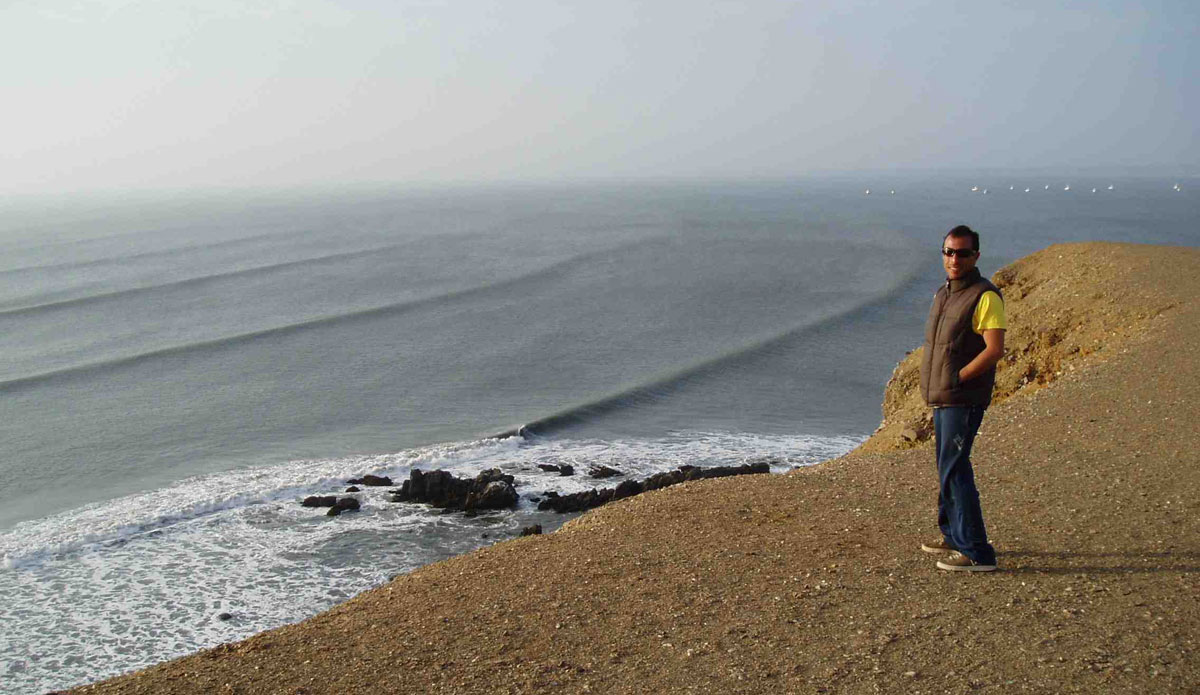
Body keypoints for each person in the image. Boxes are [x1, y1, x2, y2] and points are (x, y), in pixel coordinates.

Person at [918, 225, 1005, 572]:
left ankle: (977, 552)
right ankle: (953, 535)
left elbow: (994, 349)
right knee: (947, 466)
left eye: (963, 253)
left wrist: (959, 377)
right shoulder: (944, 294)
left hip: (962, 397)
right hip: (943, 396)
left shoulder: (985, 296)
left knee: (956, 468)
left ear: (976, 256)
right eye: (949, 252)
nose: (955, 259)